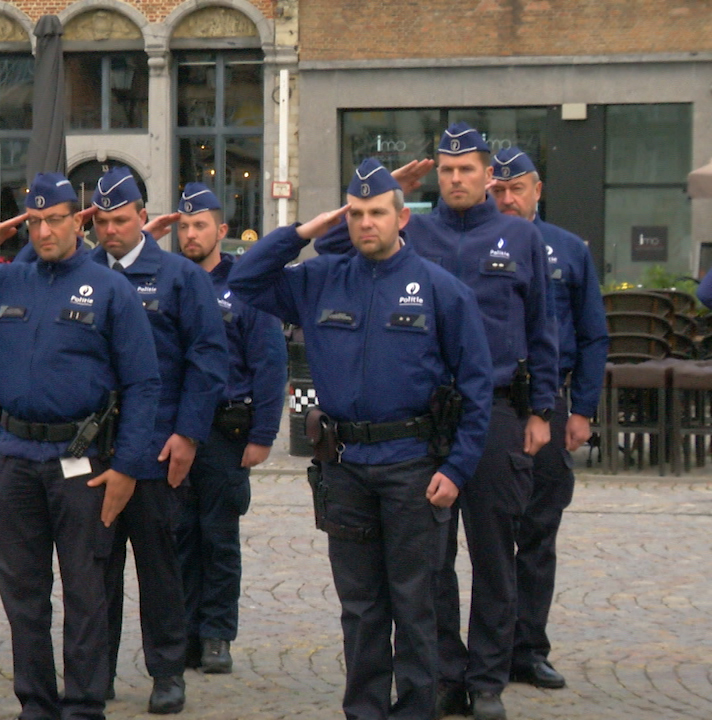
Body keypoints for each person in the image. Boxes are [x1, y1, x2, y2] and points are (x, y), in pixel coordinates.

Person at [230, 159, 493, 720]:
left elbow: (475, 388)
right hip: (344, 465)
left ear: (403, 220)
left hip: (413, 466)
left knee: (415, 604)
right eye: (355, 213)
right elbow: (245, 279)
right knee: (361, 607)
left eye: (377, 212)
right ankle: (366, 710)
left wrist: (459, 468)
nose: (366, 222)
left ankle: (417, 708)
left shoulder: (441, 291)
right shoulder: (318, 281)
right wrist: (303, 231)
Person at [316, 124, 558, 720]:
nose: (455, 179)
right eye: (446, 170)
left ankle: (489, 677)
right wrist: (385, 192)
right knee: (429, 563)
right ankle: (445, 674)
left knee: (495, 549)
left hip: (497, 407)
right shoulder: (407, 226)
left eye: (466, 169)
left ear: (487, 177)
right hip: (421, 419)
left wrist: (543, 411)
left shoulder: (518, 237)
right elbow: (330, 250)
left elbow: (543, 328)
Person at [0, 172, 160, 720]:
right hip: (16, 459)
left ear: (80, 221)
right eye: (34, 220)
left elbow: (145, 384)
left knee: (85, 590)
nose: (45, 230)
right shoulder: (2, 283)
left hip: (83, 460)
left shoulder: (110, 289)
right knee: (22, 593)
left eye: (55, 219)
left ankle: (83, 705)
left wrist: (127, 468)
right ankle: (36, 703)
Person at [82, 167, 227, 714]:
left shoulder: (177, 276)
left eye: (121, 220)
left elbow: (208, 358)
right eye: (100, 221)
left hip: (158, 446)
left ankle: (167, 672)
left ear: (145, 218)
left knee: (161, 567)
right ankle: (95, 671)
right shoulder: (82, 271)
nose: (110, 231)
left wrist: (189, 433)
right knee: (94, 569)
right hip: (93, 446)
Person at [148, 183, 288, 674]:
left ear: (221, 230)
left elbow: (270, 363)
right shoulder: (171, 280)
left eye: (200, 224)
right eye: (183, 226)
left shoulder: (245, 284)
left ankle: (216, 635)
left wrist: (263, 435)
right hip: (176, 429)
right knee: (179, 534)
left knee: (218, 537)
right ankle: (184, 631)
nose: (190, 233)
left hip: (227, 432)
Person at [490, 148, 608, 690]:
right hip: (488, 403)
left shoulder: (568, 250)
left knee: (538, 529)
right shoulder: (473, 245)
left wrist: (582, 408)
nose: (508, 199)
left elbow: (591, 334)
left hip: (547, 402)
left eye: (518, 189)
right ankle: (476, 649)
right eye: (499, 191)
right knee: (485, 533)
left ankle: (527, 648)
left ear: (539, 190)